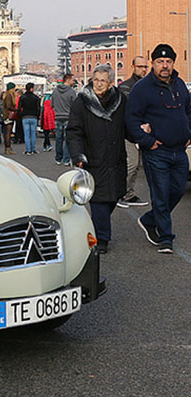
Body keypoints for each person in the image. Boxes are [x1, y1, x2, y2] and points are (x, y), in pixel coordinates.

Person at [125, 44, 191, 254]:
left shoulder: (180, 85)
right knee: (160, 193)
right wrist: (146, 141)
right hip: (157, 152)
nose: (165, 66)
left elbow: (189, 111)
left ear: (173, 63)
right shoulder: (142, 89)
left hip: (179, 151)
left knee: (178, 190)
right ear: (152, 63)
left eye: (168, 62)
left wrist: (189, 133)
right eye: (160, 62)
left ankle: (149, 219)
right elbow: (131, 119)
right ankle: (165, 237)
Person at [67, 64, 127, 254]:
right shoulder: (82, 101)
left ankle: (96, 227)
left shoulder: (120, 100)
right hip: (93, 157)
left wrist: (143, 132)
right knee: (99, 199)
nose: (99, 84)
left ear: (110, 83)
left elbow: (129, 124)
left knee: (113, 196)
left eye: (103, 81)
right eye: (96, 80)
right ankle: (101, 238)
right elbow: (74, 130)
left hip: (116, 157)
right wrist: (77, 154)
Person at [117, 56, 150, 208]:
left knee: (136, 165)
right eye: (140, 66)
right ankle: (120, 194)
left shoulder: (145, 85)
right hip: (127, 133)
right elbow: (126, 112)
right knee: (132, 163)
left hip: (142, 133)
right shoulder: (126, 87)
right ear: (133, 66)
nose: (143, 69)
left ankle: (128, 194)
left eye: (145, 67)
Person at [52, 74, 76, 165]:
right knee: (67, 139)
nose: (74, 82)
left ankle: (58, 158)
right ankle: (66, 159)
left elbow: (52, 104)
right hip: (68, 117)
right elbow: (75, 105)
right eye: (73, 80)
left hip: (57, 117)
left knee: (58, 139)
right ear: (68, 80)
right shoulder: (71, 92)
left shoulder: (55, 91)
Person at [17, 83, 40, 154]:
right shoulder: (36, 98)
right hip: (34, 117)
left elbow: (19, 108)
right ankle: (33, 149)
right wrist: (38, 116)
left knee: (26, 134)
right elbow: (38, 108)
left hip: (25, 117)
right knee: (33, 134)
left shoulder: (22, 97)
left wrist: (20, 115)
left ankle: (28, 150)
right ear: (31, 89)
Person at [1, 82, 17, 155]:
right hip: (8, 115)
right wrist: (15, 110)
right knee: (8, 132)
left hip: (6, 115)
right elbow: (9, 106)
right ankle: (7, 148)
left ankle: (8, 148)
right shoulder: (9, 95)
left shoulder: (5, 95)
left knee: (7, 132)